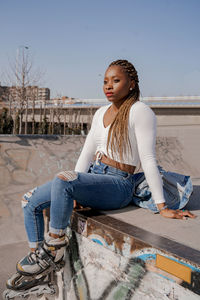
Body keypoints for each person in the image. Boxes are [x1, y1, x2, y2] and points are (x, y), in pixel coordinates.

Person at [6, 59, 195, 291]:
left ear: (132, 84)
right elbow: (85, 156)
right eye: (105, 81)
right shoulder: (100, 113)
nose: (108, 86)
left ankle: (54, 249)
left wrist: (162, 205)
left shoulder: (140, 111)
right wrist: (75, 190)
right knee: (29, 201)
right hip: (96, 176)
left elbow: (148, 159)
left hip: (118, 185)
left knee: (63, 180)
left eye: (116, 81)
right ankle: (40, 267)